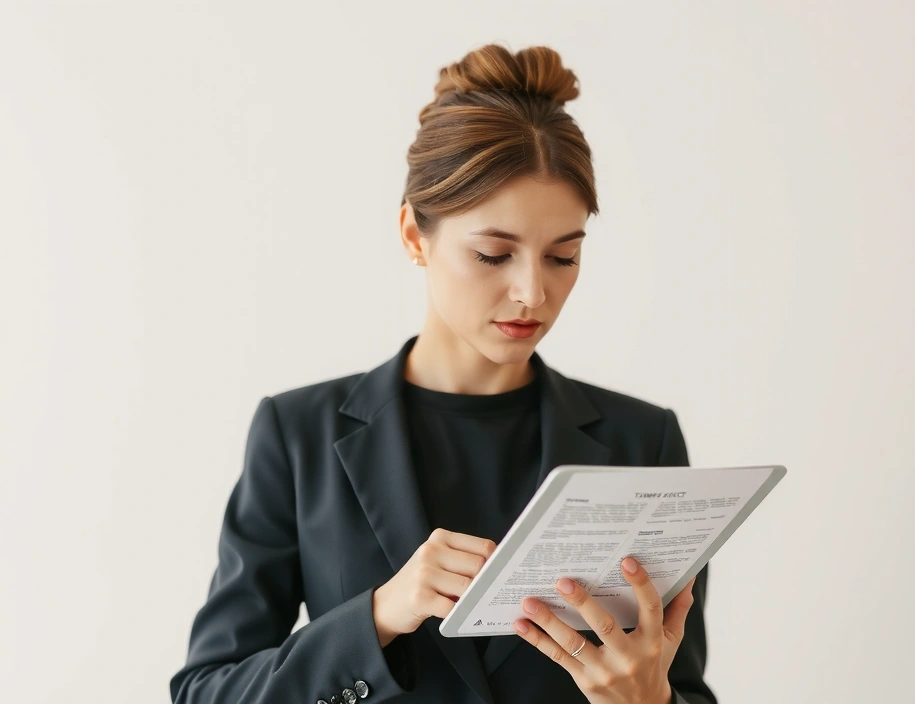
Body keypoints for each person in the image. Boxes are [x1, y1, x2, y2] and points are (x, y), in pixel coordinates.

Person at [170, 43, 717, 704]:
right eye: (493, 254)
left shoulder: (644, 443)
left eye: (562, 257)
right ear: (413, 235)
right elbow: (207, 692)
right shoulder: (297, 435)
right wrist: (377, 617)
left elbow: (684, 688)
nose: (532, 294)